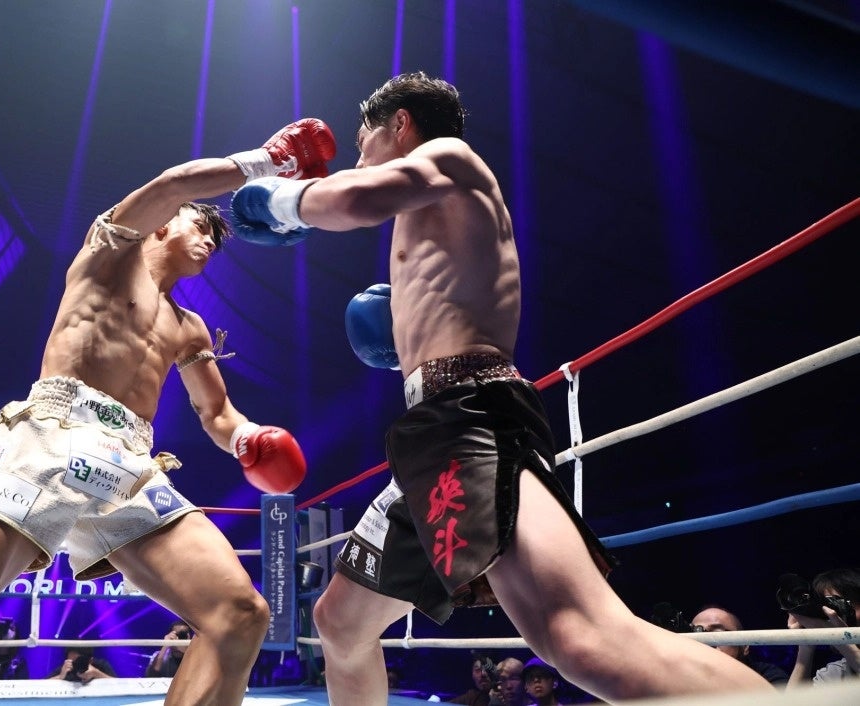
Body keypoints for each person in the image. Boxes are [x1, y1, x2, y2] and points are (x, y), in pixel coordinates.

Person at [229, 71, 773, 704]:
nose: (359, 156)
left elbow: (357, 201)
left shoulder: (448, 156)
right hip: (434, 430)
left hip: (472, 414)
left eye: (363, 140)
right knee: (340, 622)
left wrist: (279, 200)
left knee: (580, 641)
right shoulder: (436, 209)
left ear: (400, 124)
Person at [0, 118, 334, 706]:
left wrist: (249, 439)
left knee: (240, 614)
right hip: (48, 439)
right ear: (163, 224)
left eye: (216, 237)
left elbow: (217, 413)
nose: (210, 240)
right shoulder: (107, 254)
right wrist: (266, 162)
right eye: (200, 225)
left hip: (130, 465)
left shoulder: (190, 327)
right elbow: (175, 183)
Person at [784, 567, 860, 687]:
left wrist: (841, 640)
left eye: (839, 605)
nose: (833, 614)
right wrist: (805, 645)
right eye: (829, 607)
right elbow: (793, 699)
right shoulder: (835, 673)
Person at [690, 605, 788, 685]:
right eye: (696, 633)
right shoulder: (684, 673)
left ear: (744, 646)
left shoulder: (766, 675)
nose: (705, 642)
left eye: (717, 632)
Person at [47, 645, 116, 683]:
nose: (74, 664)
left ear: (90, 660)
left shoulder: (101, 665)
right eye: (71, 661)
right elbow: (42, 685)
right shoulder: (66, 669)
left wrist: (97, 674)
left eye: (78, 661)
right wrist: (60, 677)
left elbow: (119, 684)